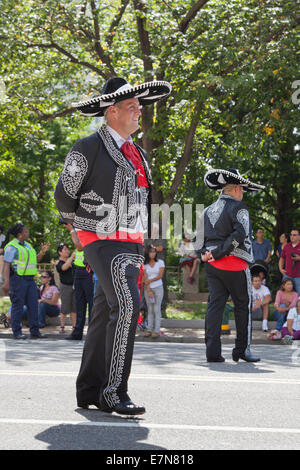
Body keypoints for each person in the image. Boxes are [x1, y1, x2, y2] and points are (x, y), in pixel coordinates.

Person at [54, 76, 171, 415]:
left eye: (139, 108)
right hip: (102, 240)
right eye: (132, 108)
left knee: (106, 311)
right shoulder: (87, 147)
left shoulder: (138, 153)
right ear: (113, 111)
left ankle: (89, 390)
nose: (138, 113)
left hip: (131, 243)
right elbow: (64, 195)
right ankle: (113, 392)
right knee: (127, 306)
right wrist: (75, 224)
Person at [199, 168, 264, 363]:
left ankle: (212, 352)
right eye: (242, 190)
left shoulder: (207, 210)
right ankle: (242, 350)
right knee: (243, 307)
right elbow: (239, 235)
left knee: (215, 307)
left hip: (212, 265)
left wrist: (205, 254)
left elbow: (199, 240)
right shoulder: (239, 207)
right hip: (235, 264)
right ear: (235, 189)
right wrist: (219, 253)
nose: (242, 193)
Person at [2, 224, 49, 339]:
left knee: (33, 305)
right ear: (19, 235)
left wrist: (42, 252)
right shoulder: (11, 246)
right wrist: (6, 281)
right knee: (17, 306)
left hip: (30, 280)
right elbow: (6, 265)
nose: (28, 233)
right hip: (18, 280)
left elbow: (35, 260)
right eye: (26, 232)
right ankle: (17, 332)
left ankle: (35, 331)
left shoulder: (28, 246)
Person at [64, 224, 94, 341]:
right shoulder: (79, 235)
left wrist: (72, 230)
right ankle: (77, 333)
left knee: (92, 305)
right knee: (79, 304)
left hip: (88, 273)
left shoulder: (88, 235)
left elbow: (79, 246)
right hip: (78, 273)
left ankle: (92, 334)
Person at [143, 245, 165, 338]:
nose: (153, 253)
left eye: (154, 251)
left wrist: (150, 281)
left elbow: (160, 275)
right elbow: (145, 277)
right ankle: (149, 329)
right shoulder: (145, 264)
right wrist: (148, 289)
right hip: (148, 289)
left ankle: (156, 330)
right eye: (151, 252)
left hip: (158, 287)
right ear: (147, 253)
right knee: (150, 309)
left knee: (156, 309)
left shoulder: (160, 262)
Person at [56, 243, 76, 334]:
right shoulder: (59, 263)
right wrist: (71, 257)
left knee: (74, 308)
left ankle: (74, 327)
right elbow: (64, 268)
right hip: (65, 287)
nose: (67, 251)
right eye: (65, 249)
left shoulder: (72, 262)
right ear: (60, 252)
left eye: (68, 249)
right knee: (64, 307)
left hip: (74, 286)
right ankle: (62, 326)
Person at [279, 228, 300, 296]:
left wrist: (299, 258)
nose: (292, 236)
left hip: (299, 276)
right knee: (284, 295)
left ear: (299, 236)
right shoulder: (287, 246)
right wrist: (281, 269)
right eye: (291, 235)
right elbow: (282, 258)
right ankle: (285, 307)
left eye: (294, 235)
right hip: (287, 275)